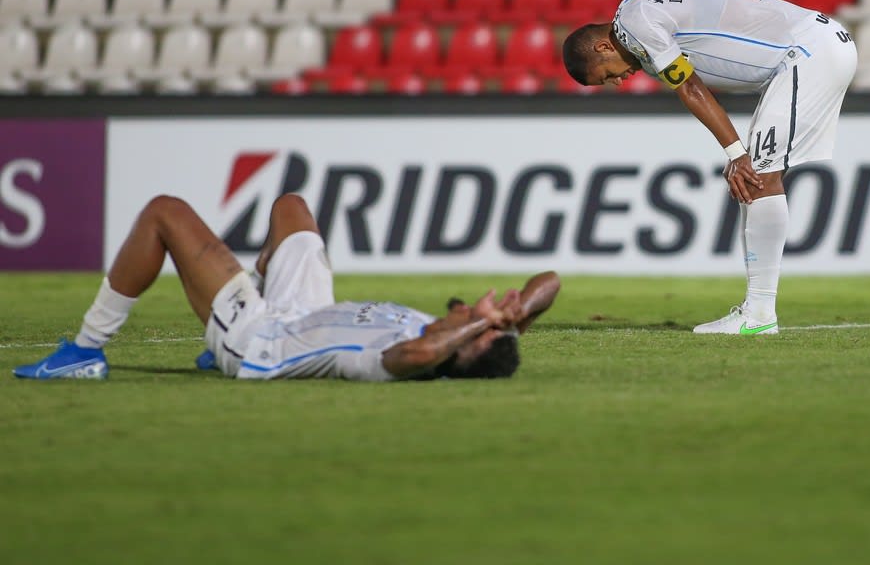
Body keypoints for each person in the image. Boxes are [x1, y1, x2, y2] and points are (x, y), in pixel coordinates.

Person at [562, 0, 857, 335]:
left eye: (607, 74)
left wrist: (735, 153)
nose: (619, 81)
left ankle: (760, 315)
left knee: (758, 176)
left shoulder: (636, 26)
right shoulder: (634, 14)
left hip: (806, 54)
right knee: (757, 179)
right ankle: (757, 311)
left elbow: (690, 87)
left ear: (603, 46)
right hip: (808, 51)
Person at [13, 194, 560, 380]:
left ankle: (84, 350)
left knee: (165, 213)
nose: (483, 308)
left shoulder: (400, 359)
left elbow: (416, 355)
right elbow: (550, 282)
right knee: (290, 208)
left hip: (260, 338)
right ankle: (241, 296)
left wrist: (480, 323)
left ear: (465, 347)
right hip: (305, 310)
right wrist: (511, 316)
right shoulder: (439, 331)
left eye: (484, 329)